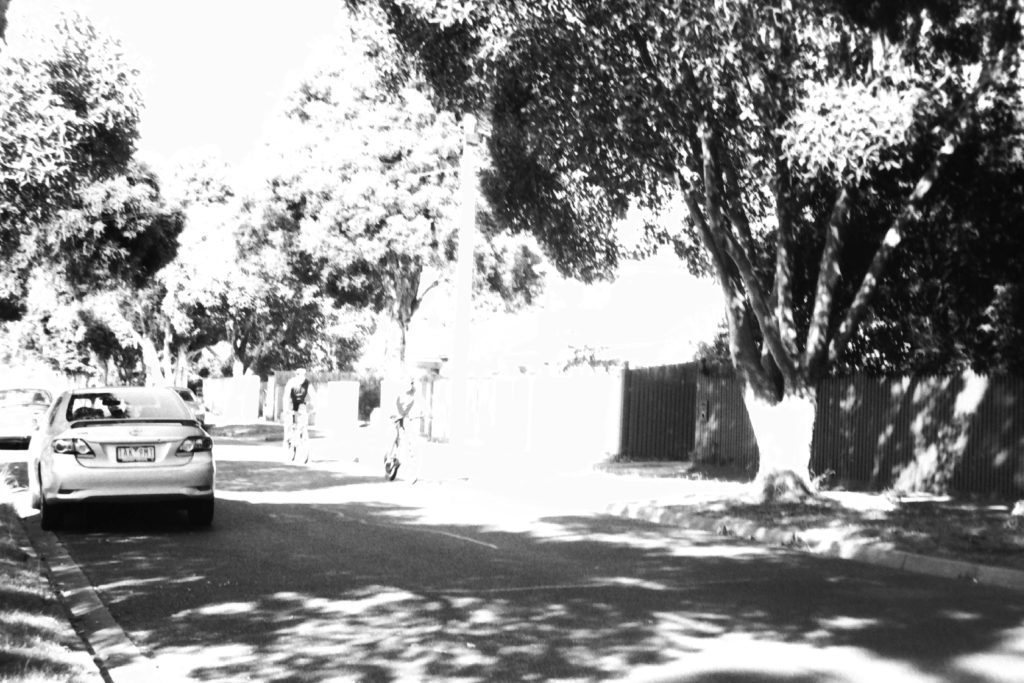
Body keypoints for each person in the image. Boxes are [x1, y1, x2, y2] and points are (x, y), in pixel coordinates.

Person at [283, 368, 314, 462]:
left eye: (303, 375)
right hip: (291, 406)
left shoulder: (307, 383)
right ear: (296, 374)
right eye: (299, 374)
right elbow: (286, 396)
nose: (302, 377)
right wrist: (285, 409)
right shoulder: (291, 382)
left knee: (303, 427)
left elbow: (313, 395)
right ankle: (289, 445)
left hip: (302, 407)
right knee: (289, 427)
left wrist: (313, 407)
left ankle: (305, 451)